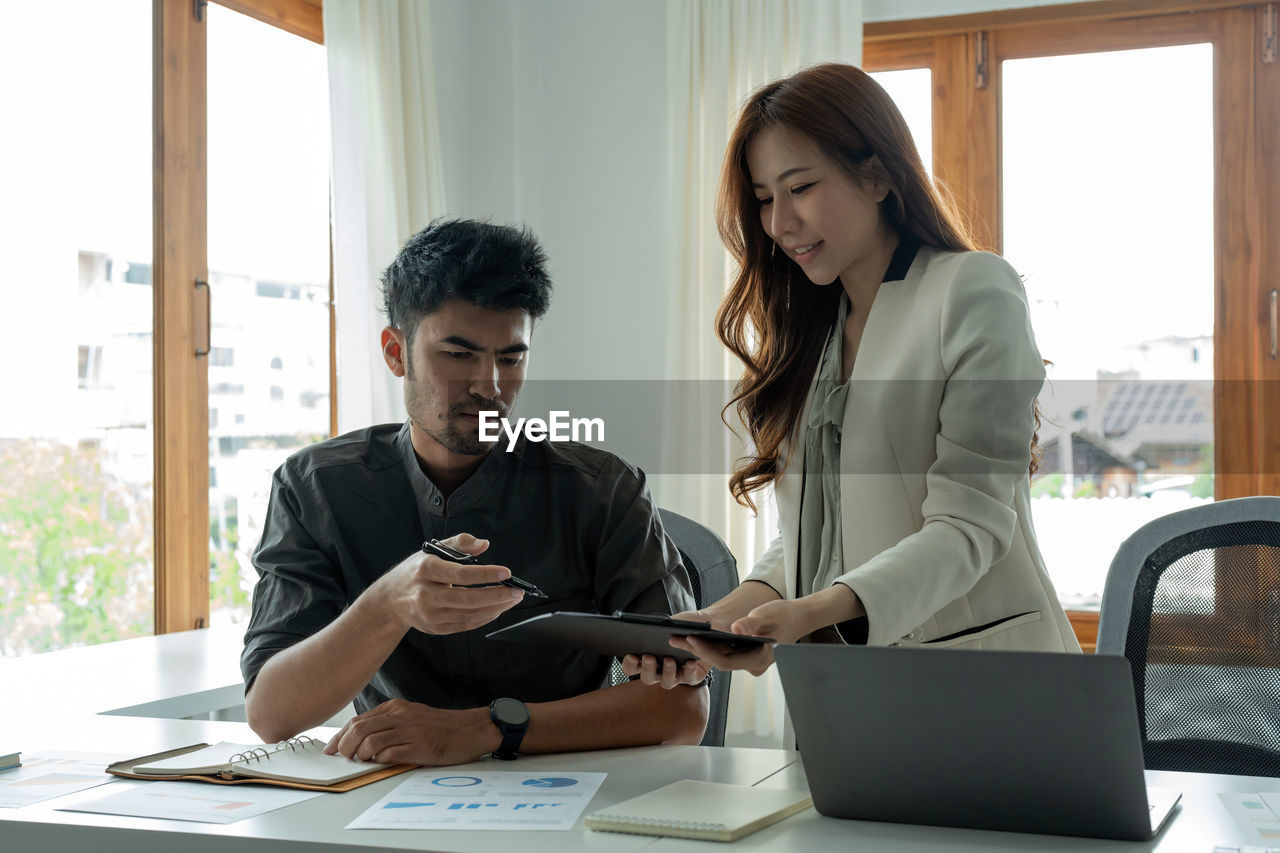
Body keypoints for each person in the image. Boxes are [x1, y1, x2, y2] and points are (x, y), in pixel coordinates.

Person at [626, 62, 1080, 690]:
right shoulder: (810, 332)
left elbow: (970, 526)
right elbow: (817, 535)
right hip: (846, 694)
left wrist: (808, 614)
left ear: (876, 175)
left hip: (986, 689)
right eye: (763, 199)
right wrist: (722, 620)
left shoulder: (972, 289)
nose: (780, 223)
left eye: (801, 187)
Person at [242, 218, 708, 765]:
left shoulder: (601, 488)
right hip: (386, 794)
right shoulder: (314, 487)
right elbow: (272, 716)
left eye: (510, 358)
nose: (488, 386)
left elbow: (682, 711)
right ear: (396, 353)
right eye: (458, 355)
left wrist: (486, 729)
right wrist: (389, 603)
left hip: (560, 786)